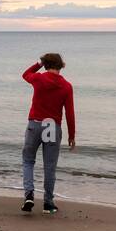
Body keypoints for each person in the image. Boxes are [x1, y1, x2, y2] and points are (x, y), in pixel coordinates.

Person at [21, 52, 76, 214]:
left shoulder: (38, 79)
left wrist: (39, 63)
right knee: (49, 167)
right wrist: (71, 135)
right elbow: (70, 113)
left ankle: (29, 195)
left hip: (35, 125)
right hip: (52, 127)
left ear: (45, 65)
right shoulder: (66, 86)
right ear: (61, 65)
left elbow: (25, 74)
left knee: (28, 161)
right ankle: (48, 203)